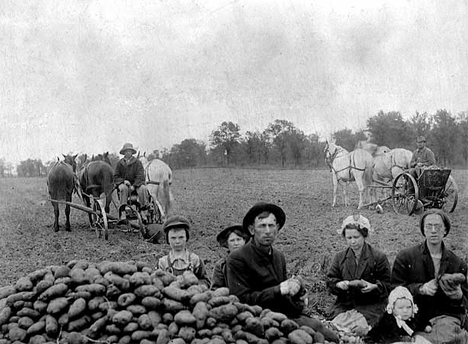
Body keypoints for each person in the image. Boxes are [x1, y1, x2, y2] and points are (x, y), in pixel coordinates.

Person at [226, 202, 339, 342]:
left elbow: (284, 294)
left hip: (283, 315)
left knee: (329, 335)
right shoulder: (238, 258)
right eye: (262, 226)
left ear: (277, 228)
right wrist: (279, 289)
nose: (267, 231)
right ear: (251, 229)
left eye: (271, 225)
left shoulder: (278, 256)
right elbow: (241, 299)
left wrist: (299, 298)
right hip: (256, 320)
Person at [392, 208, 468, 344]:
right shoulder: (406, 257)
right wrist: (420, 289)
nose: (433, 230)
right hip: (413, 316)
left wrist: (459, 296)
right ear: (423, 230)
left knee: (446, 336)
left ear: (445, 230)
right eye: (429, 226)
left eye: (438, 226)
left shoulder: (457, 263)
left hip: (445, 318)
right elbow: (395, 290)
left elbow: (465, 303)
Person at [326, 214, 391, 336]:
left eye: (356, 237)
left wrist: (375, 286)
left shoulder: (378, 257)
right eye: (349, 237)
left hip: (371, 305)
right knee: (336, 331)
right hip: (345, 304)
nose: (353, 241)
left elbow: (388, 284)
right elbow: (331, 281)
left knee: (361, 332)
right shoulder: (340, 257)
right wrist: (338, 284)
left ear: (364, 236)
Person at [158, 215, 211, 288]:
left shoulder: (195, 260)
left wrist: (194, 284)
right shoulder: (163, 263)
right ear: (168, 240)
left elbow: (206, 281)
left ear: (186, 238)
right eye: (173, 238)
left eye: (181, 237)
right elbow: (156, 283)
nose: (177, 241)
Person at [367, 286, 432, 343]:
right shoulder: (387, 321)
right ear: (392, 309)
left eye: (409, 307)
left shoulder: (413, 315)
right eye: (400, 308)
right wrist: (400, 339)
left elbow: (421, 320)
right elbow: (381, 335)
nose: (405, 311)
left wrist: (426, 326)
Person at [114, 143, 148, 222]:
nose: (128, 153)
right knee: (122, 188)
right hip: (125, 185)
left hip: (136, 185)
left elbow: (140, 176)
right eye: (126, 151)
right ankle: (123, 212)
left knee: (143, 188)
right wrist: (123, 181)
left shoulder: (137, 163)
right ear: (124, 153)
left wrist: (134, 186)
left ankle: (143, 211)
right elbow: (116, 176)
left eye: (129, 151)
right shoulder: (120, 163)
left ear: (132, 152)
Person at [211, 224, 250, 290]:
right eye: (232, 240)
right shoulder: (221, 265)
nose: (236, 243)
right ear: (227, 244)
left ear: (244, 241)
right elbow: (216, 288)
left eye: (238, 239)